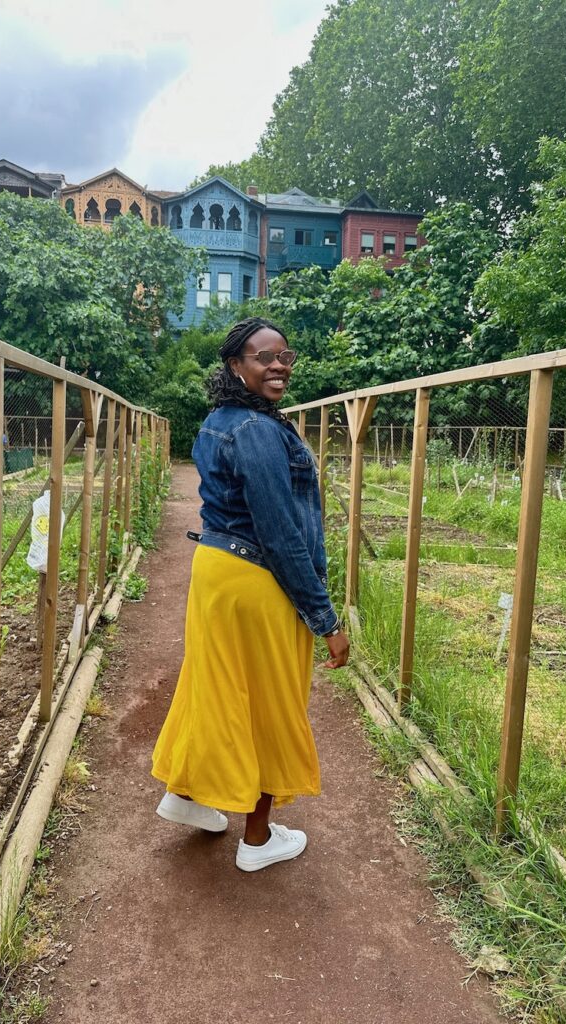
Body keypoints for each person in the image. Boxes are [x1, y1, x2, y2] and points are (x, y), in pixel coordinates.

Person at [151, 317, 350, 872]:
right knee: (267, 701)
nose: (278, 365)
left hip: (216, 572)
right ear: (236, 365)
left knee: (212, 688)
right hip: (255, 580)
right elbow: (282, 533)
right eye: (264, 357)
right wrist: (325, 620)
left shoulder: (220, 420)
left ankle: (185, 796)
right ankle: (257, 840)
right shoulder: (260, 431)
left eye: (285, 355)